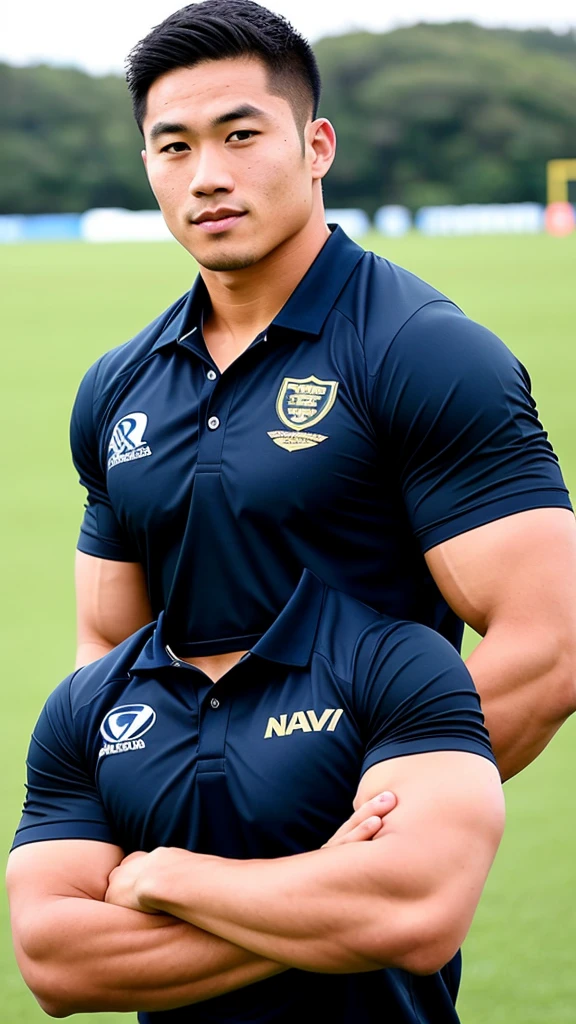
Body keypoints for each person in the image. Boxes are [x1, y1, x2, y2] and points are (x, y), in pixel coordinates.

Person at [71, 0, 576, 787]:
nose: (207, 176)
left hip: (350, 863)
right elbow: (104, 650)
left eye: (240, 136)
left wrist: (352, 823)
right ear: (148, 165)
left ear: (316, 146)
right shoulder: (116, 386)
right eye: (175, 147)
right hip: (167, 846)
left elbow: (549, 645)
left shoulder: (424, 351)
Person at [8, 571, 505, 1023]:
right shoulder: (82, 704)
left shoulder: (392, 660)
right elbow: (55, 965)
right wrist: (330, 896)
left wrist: (166, 877)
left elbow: (411, 916)